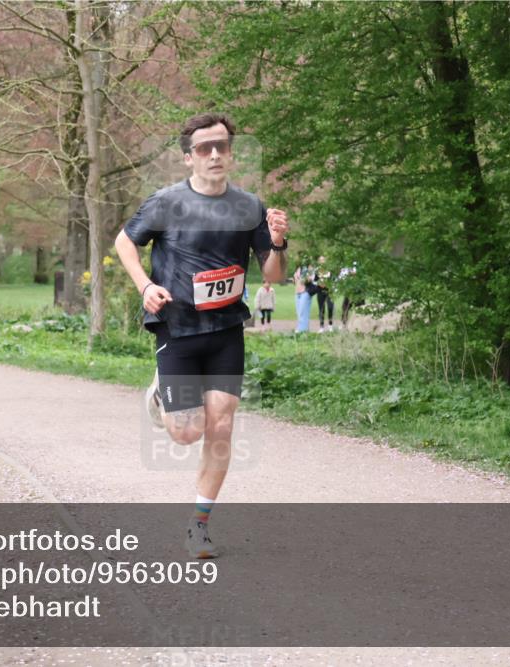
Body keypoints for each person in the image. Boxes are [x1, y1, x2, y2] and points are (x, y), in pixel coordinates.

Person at [114, 112, 290, 555]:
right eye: (204, 148)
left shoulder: (249, 206)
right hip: (178, 328)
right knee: (187, 433)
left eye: (222, 146)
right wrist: (146, 286)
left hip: (227, 328)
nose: (214, 154)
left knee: (223, 424)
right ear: (188, 157)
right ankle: (160, 395)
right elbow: (124, 241)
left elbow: (275, 275)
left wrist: (278, 242)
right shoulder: (166, 203)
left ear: (231, 152)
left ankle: (199, 524)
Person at [293, 257, 315, 332]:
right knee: (299, 312)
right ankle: (303, 329)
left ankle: (302, 330)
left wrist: (304, 279)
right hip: (297, 292)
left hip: (305, 292)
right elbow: (295, 280)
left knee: (303, 311)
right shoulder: (298, 268)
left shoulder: (309, 268)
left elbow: (312, 278)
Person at [315, 256, 334, 332]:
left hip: (329, 291)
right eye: (320, 260)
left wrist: (327, 284)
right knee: (321, 309)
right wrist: (319, 283)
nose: (322, 261)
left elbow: (333, 280)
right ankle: (321, 326)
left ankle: (330, 325)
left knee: (330, 307)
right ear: (319, 262)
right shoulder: (317, 271)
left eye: (323, 260)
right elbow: (314, 280)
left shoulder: (329, 270)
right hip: (320, 291)